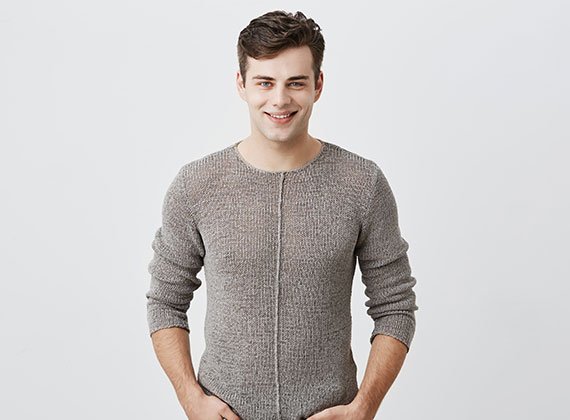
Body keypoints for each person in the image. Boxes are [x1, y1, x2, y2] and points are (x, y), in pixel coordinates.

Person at [145, 10, 419, 420]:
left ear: (318, 85)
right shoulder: (196, 185)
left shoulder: (362, 183)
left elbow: (395, 305)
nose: (279, 100)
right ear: (241, 84)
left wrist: (364, 407)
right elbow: (165, 301)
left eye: (295, 82)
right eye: (264, 82)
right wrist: (191, 398)